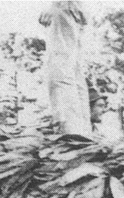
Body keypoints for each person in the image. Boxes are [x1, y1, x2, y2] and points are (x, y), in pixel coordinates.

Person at [39, 1, 92, 136]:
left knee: (60, 70)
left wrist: (57, 4)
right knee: (73, 72)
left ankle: (71, 134)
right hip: (71, 7)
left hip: (65, 6)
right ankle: (83, 134)